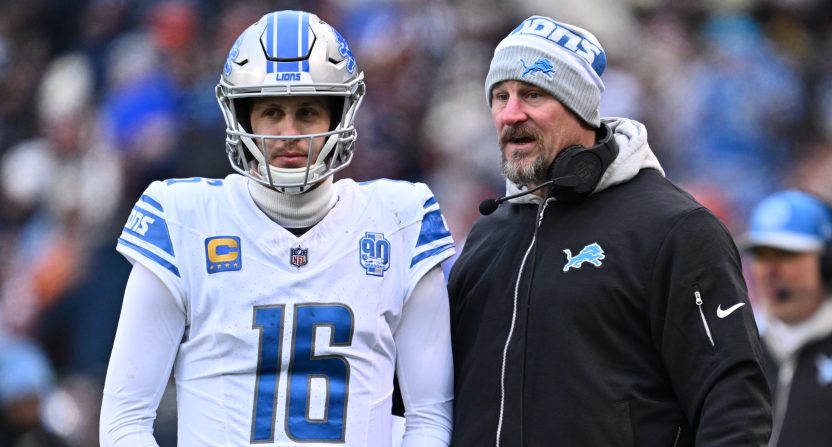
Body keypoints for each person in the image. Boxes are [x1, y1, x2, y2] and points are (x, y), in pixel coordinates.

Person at [99, 10, 455, 447]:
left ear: (339, 114)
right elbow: (124, 420)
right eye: (271, 111)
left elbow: (430, 418)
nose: (288, 133)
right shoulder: (185, 220)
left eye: (307, 112)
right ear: (244, 117)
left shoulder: (399, 219)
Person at [448, 15, 772, 446]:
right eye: (499, 96)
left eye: (532, 94)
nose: (511, 114)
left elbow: (734, 406)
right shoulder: (488, 235)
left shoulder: (674, 228)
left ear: (580, 106)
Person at [743, 190, 832, 447]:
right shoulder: (738, 347)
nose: (769, 271)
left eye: (786, 255)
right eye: (760, 255)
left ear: (826, 261)